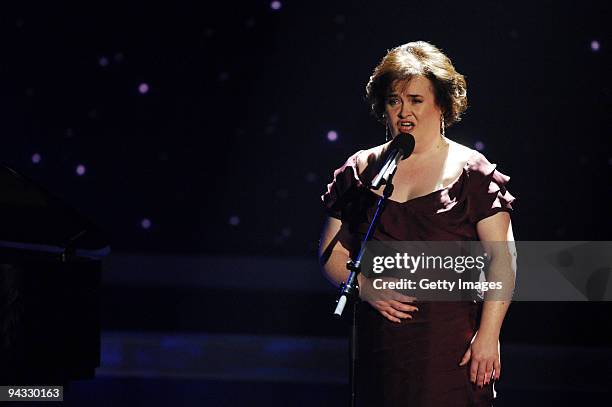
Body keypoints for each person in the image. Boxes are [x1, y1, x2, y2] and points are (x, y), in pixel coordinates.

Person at [318, 41, 516, 406]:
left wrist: (489, 335)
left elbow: (503, 261)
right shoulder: (360, 171)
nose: (404, 111)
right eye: (394, 100)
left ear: (442, 103)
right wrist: (365, 285)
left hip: (451, 349)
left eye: (415, 99)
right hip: (379, 349)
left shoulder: (472, 173)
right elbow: (331, 251)